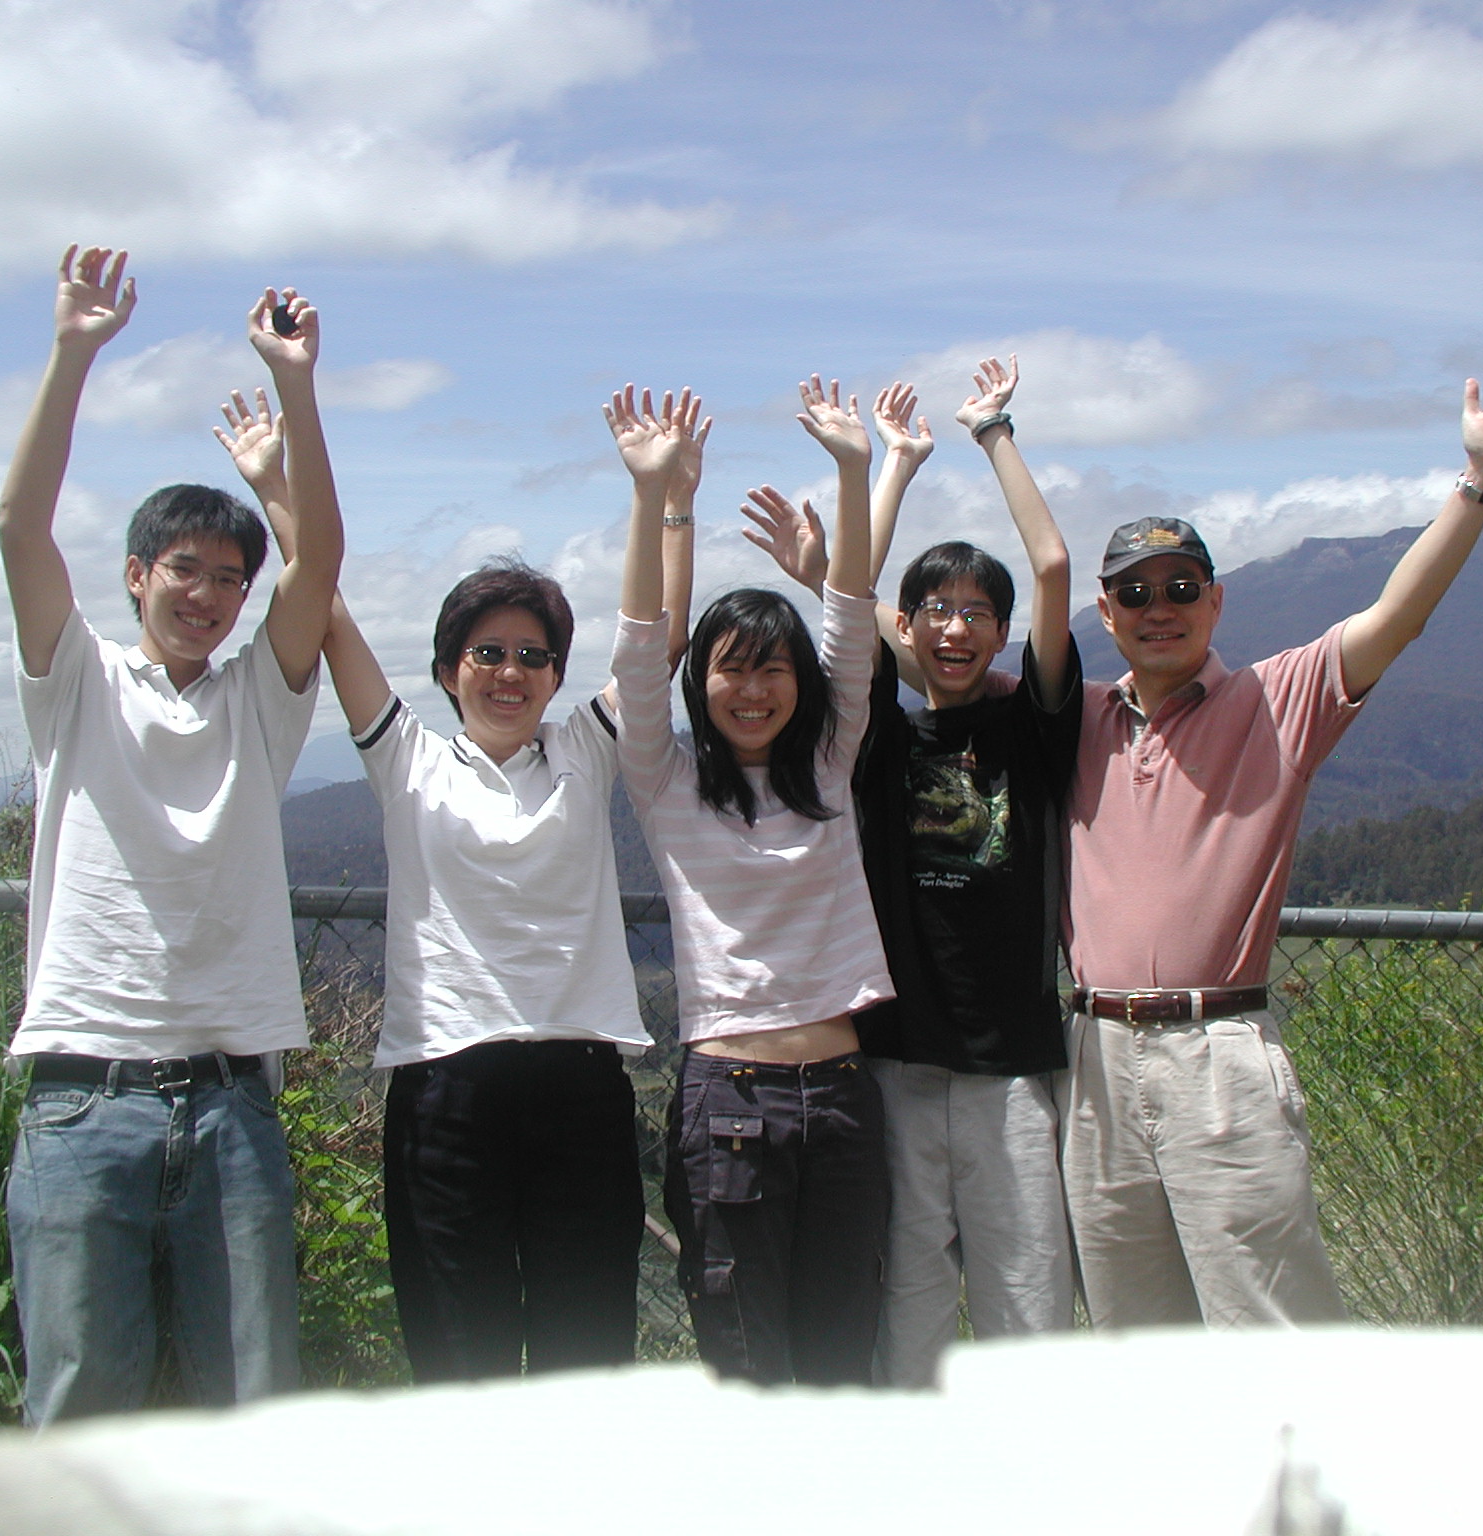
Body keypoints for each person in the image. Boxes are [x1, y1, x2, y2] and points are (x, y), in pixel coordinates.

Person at [1062, 347, 1483, 1327]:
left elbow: (1396, 616)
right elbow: (937, 655)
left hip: (1217, 1050)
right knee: (1132, 1345)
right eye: (1135, 593)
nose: (1158, 609)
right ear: (1105, 612)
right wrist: (834, 584)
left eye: (1180, 589)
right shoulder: (1070, 720)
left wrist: (1477, 484)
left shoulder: (1277, 698)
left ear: (1215, 601)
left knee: (1268, 1326)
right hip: (1091, 1058)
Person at [216, 388, 705, 1381]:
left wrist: (659, 501)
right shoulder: (408, 761)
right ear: (447, 669)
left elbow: (654, 641)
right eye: (487, 652)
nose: (509, 670)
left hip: (579, 1091)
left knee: (585, 1362)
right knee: (459, 1366)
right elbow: (330, 611)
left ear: (558, 674)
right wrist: (275, 488)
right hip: (446, 1096)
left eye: (533, 655)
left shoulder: (584, 750)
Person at [0, 247, 343, 1422]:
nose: (204, 594)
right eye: (182, 571)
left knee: (253, 1404)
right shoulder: (76, 685)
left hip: (234, 1098)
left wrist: (295, 390)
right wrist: (73, 350)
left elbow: (323, 567)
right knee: (80, 1402)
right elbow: (17, 528)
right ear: (136, 575)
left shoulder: (259, 700)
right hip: (78, 1095)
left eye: (228, 580)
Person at [746, 361, 1082, 1388]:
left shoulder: (1032, 724)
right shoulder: (877, 742)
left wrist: (993, 435)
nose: (953, 626)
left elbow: (1056, 567)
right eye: (932, 608)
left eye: (977, 611)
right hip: (894, 1056)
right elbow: (854, 614)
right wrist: (832, 560)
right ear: (908, 625)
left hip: (1013, 1066)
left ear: (999, 629)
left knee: (1028, 1297)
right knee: (912, 1302)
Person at [607, 379, 894, 1386]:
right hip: (728, 1098)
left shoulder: (827, 768)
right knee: (742, 1364)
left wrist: (854, 471)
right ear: (703, 684)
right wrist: (655, 500)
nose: (753, 686)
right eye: (731, 668)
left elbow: (851, 621)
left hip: (845, 1099)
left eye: (774, 668)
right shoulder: (666, 782)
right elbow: (640, 651)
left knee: (839, 1357)